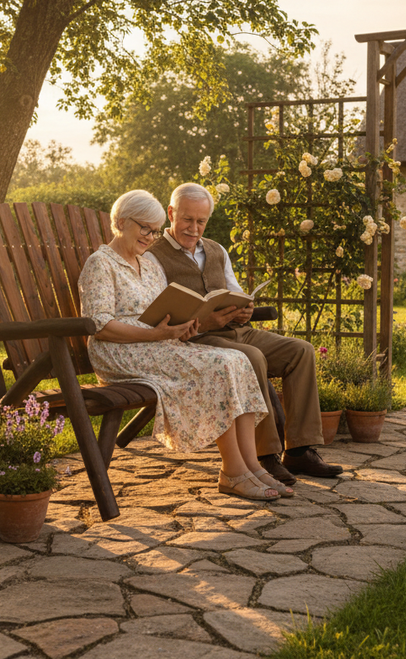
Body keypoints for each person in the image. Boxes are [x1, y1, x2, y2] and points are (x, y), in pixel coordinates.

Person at [77, 189, 293, 501]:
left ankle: (252, 467)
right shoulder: (101, 263)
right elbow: (100, 326)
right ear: (122, 222)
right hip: (119, 352)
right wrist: (156, 335)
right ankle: (232, 472)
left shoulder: (148, 263)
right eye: (145, 228)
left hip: (157, 345)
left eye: (154, 230)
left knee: (237, 360)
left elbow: (159, 312)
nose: (151, 237)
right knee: (218, 365)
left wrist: (184, 324)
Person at [144, 183, 344, 484]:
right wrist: (205, 321)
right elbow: (158, 314)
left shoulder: (216, 249)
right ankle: (265, 456)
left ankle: (300, 451)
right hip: (197, 339)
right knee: (251, 358)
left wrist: (245, 308)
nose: (194, 228)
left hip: (236, 330)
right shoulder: (153, 257)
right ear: (171, 213)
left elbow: (234, 290)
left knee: (300, 350)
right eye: (187, 219)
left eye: (201, 221)